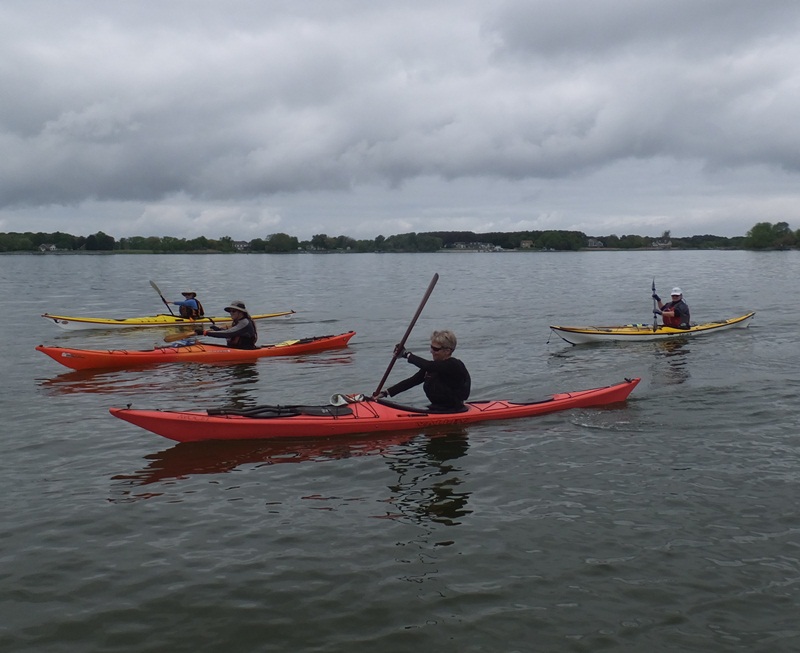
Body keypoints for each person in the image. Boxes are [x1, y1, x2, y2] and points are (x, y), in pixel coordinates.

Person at [373, 330, 471, 412]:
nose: (431, 351)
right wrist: (385, 393)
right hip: (436, 408)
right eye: (431, 347)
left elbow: (428, 365)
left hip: (454, 409)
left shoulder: (454, 365)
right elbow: (412, 381)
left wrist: (406, 354)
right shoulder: (432, 368)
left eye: (435, 349)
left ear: (447, 351)